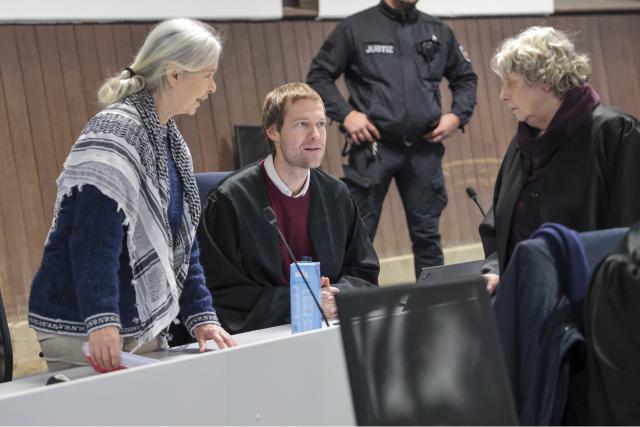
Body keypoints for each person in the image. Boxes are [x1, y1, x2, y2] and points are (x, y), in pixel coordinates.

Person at [28, 18, 236, 373]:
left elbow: (181, 242)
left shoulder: (171, 141)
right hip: (82, 322)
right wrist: (101, 318)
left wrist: (200, 314)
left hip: (136, 319)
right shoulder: (116, 131)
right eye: (207, 75)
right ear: (174, 74)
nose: (213, 87)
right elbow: (93, 238)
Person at [306, 0, 477, 278]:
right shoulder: (355, 28)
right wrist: (347, 115)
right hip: (373, 148)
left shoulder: (437, 30)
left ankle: (433, 306)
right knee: (359, 234)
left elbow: (466, 78)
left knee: (428, 235)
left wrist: (456, 116)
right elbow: (319, 75)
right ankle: (352, 305)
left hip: (424, 148)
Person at [198, 83, 379, 335]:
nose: (315, 135)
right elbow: (223, 293)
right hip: (261, 340)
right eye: (302, 124)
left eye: (320, 124)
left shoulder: (337, 194)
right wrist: (302, 303)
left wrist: (337, 295)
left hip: (330, 331)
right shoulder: (230, 200)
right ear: (273, 131)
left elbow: (363, 271)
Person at [482, 26, 640, 292]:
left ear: (544, 79)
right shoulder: (521, 145)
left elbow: (631, 232)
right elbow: (498, 224)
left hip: (594, 304)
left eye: (511, 82)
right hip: (528, 299)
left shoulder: (615, 134)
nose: (502, 95)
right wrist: (495, 269)